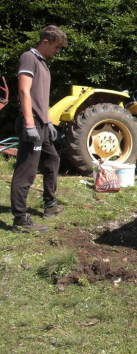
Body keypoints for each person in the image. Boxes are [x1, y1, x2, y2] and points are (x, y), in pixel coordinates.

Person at [10, 25, 68, 232]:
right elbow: (24, 92)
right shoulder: (29, 58)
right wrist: (29, 124)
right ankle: (20, 219)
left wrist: (49, 121)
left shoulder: (43, 63)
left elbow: (40, 97)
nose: (58, 51)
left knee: (53, 158)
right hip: (31, 122)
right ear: (45, 42)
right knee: (26, 171)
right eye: (56, 47)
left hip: (42, 123)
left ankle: (50, 205)